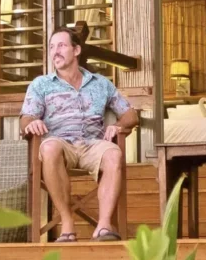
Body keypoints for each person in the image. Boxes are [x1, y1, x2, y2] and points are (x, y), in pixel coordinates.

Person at [20, 22, 139, 243]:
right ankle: (67, 221)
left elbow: (131, 114)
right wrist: (31, 123)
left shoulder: (101, 84)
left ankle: (104, 226)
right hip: (60, 143)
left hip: (93, 143)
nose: (55, 51)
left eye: (62, 46)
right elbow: (25, 117)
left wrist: (119, 126)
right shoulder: (41, 84)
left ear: (76, 50)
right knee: (50, 146)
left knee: (114, 153)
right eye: (52, 46)